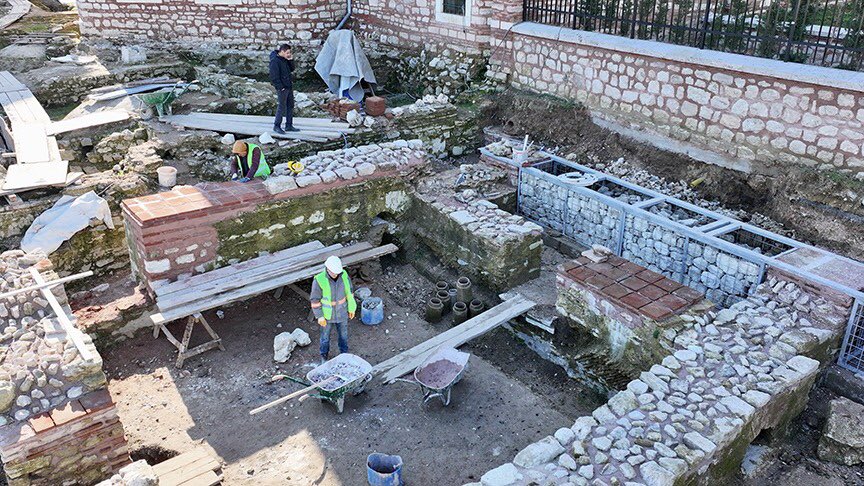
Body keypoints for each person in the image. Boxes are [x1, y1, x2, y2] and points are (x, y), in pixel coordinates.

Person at [310, 255, 357, 363]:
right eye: (334, 272)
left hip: (342, 313)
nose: (336, 274)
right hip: (327, 316)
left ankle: (344, 354)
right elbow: (315, 300)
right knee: (325, 338)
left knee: (343, 336)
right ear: (328, 269)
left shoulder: (344, 275)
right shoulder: (319, 280)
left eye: (337, 272)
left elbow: (349, 293)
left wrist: (352, 308)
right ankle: (324, 356)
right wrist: (320, 316)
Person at [269, 44, 300, 134]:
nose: (289, 54)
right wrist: (280, 87)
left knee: (290, 105)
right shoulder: (275, 61)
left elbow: (292, 69)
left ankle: (289, 125)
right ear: (282, 52)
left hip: (288, 85)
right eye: (287, 53)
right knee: (281, 107)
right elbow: (274, 76)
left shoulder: (285, 59)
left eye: (290, 52)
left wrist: (290, 60)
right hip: (282, 88)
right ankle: (277, 126)